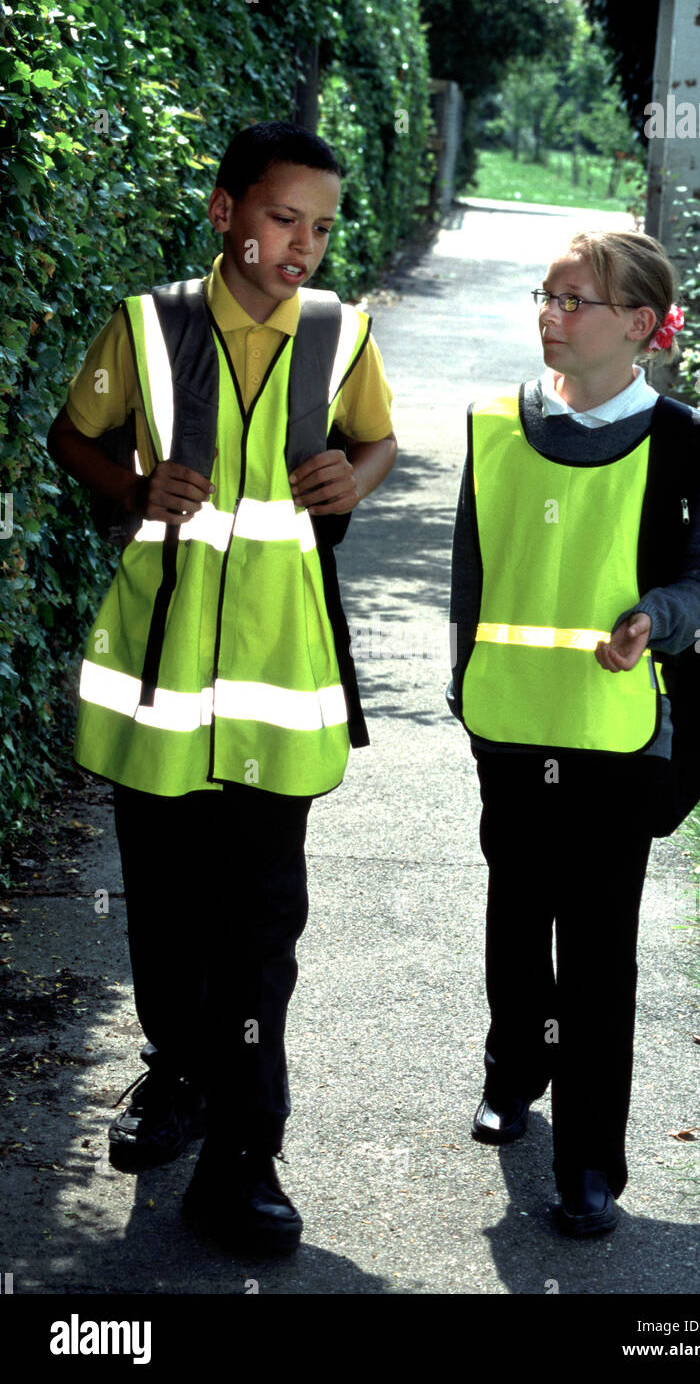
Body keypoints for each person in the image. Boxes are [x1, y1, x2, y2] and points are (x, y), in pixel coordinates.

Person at [47, 121, 397, 1252]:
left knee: (259, 924)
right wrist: (136, 483)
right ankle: (179, 1073)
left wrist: (357, 474)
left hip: (277, 687)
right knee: (162, 905)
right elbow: (73, 436)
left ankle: (248, 1157)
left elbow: (375, 445)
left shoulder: (342, 334)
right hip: (158, 682)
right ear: (225, 213)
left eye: (322, 228)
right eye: (283, 219)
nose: (303, 245)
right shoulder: (147, 326)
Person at [447, 229, 700, 1237]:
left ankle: (589, 1164)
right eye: (548, 295)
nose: (551, 314)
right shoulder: (493, 424)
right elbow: (472, 580)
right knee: (517, 923)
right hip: (509, 727)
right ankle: (513, 1070)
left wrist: (657, 618)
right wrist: (464, 688)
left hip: (621, 739)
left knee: (600, 951)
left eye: (576, 301)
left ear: (640, 327)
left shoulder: (691, 442)